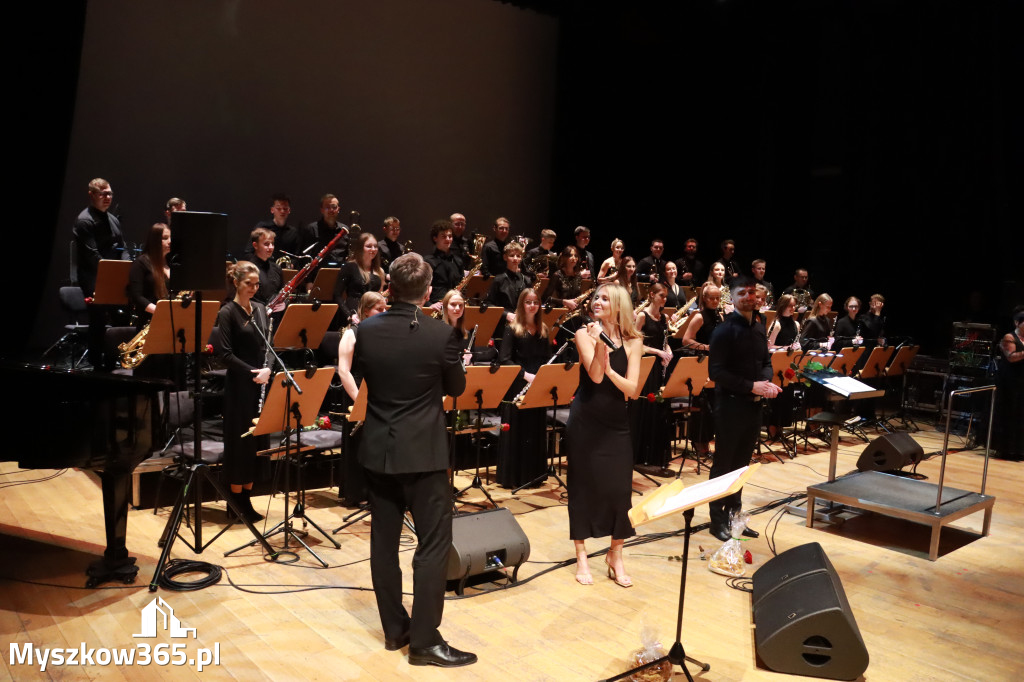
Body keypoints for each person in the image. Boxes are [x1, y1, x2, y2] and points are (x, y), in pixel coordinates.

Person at [352, 252, 474, 667]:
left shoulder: (365, 331)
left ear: (390, 287)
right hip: (422, 454)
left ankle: (395, 630)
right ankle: (424, 642)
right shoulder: (442, 335)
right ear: (427, 292)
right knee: (433, 545)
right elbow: (456, 388)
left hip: (378, 451)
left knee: (383, 545)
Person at [568, 284, 642, 587]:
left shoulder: (634, 340)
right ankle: (582, 557)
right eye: (596, 297)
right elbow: (595, 376)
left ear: (618, 306)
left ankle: (615, 554)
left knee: (619, 490)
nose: (597, 302)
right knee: (583, 488)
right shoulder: (583, 334)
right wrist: (599, 343)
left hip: (616, 423)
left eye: (604, 299)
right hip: (586, 419)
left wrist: (613, 372)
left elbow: (633, 390)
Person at [708, 277, 780, 541]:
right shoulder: (724, 331)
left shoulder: (759, 327)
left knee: (741, 466)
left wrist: (766, 383)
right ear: (732, 298)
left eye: (752, 292)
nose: (750, 297)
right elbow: (715, 372)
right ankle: (716, 522)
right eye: (743, 293)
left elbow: (766, 361)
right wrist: (752, 386)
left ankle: (734, 518)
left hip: (752, 407)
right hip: (730, 407)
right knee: (724, 465)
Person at [217, 262, 272, 523]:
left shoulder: (261, 310)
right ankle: (234, 501)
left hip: (260, 383)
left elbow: (268, 347)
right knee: (239, 443)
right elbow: (225, 354)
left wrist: (268, 370)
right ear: (237, 282)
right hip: (240, 385)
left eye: (257, 284)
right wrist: (254, 372)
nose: (254, 288)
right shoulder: (227, 312)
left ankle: (246, 499)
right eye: (249, 283)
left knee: (255, 443)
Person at [336, 291, 388, 506]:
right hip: (356, 391)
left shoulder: (383, 332)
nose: (383, 313)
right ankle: (357, 492)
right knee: (359, 443)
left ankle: (377, 492)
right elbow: (344, 370)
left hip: (377, 391)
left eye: (385, 309)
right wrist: (360, 400)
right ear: (366, 311)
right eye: (379, 309)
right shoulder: (352, 333)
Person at [496, 289, 551, 488]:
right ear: (522, 304)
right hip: (518, 385)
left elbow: (547, 358)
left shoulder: (543, 328)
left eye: (536, 302)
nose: (532, 305)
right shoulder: (512, 328)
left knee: (535, 427)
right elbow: (504, 359)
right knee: (519, 429)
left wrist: (543, 377)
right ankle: (515, 477)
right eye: (528, 302)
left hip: (537, 384)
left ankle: (534, 476)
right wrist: (525, 375)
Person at [73, 177, 126, 368]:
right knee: (98, 320)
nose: (107, 197)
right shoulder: (84, 221)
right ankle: (96, 363)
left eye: (110, 193)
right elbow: (92, 255)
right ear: (92, 195)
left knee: (120, 319)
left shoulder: (112, 220)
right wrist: (115, 272)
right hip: (93, 278)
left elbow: (123, 247)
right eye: (103, 194)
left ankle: (113, 361)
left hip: (112, 276)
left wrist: (127, 267)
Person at [631, 283, 674, 474]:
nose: (664, 299)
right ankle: (640, 456)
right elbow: (634, 343)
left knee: (659, 408)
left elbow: (666, 342)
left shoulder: (664, 317)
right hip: (645, 366)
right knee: (646, 408)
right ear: (651, 295)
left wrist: (668, 352)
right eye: (661, 295)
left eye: (666, 296)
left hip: (659, 366)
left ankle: (654, 455)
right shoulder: (642, 316)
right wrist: (658, 352)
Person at [681, 285, 723, 458]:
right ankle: (700, 444)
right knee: (702, 406)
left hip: (716, 365)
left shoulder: (720, 316)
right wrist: (707, 347)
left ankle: (708, 443)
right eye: (711, 298)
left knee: (714, 406)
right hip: (701, 363)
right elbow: (686, 340)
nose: (715, 301)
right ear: (704, 298)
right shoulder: (699, 316)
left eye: (717, 298)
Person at [334, 232, 386, 326]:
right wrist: (349, 315)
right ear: (360, 248)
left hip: (372, 316)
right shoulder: (349, 267)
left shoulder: (380, 271)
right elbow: (337, 295)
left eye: (375, 246)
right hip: (353, 313)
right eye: (369, 246)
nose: (373, 249)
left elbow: (378, 296)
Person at [993, 306, 1024, 461]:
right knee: (1009, 414)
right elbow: (1011, 357)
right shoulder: (1009, 337)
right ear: (1017, 323)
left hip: (1022, 382)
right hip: (1010, 383)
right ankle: (1006, 449)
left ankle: (1019, 450)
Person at [127, 223, 171, 325]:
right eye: (165, 238)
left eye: (170, 237)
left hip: (170, 320)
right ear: (154, 241)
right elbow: (136, 296)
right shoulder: (140, 263)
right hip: (148, 321)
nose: (170, 241)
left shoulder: (172, 263)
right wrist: (160, 312)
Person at [486, 241, 530, 340]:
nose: (515, 258)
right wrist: (506, 314)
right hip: (503, 326)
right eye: (512, 255)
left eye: (518, 256)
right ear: (505, 257)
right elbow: (489, 303)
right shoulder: (499, 279)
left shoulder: (526, 280)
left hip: (523, 325)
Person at [300, 193, 350, 268]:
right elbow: (305, 258)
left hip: (339, 274)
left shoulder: (344, 230)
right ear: (322, 210)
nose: (331, 210)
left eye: (334, 207)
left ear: (338, 209)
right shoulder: (311, 229)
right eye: (327, 207)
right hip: (317, 275)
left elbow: (347, 255)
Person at [248, 193, 300, 259]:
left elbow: (296, 256)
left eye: (285, 208)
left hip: (284, 269)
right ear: (272, 210)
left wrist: (292, 264)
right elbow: (249, 252)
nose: (282, 211)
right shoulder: (262, 227)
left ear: (289, 210)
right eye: (278, 208)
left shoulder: (293, 232)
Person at [425, 220, 462, 309]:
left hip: (454, 306)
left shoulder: (457, 261)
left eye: (450, 236)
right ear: (435, 238)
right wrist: (429, 305)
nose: (448, 239)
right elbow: (422, 287)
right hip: (436, 306)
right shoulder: (428, 261)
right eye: (443, 236)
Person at [249, 228, 284, 311]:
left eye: (272, 243)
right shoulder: (248, 269)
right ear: (255, 245)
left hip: (276, 319)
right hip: (255, 317)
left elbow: (282, 292)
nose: (271, 247)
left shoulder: (277, 268)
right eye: (266, 244)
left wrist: (284, 304)